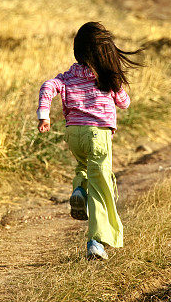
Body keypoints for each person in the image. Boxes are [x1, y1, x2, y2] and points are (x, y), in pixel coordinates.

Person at [36, 21, 143, 260]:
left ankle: (78, 189)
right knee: (101, 188)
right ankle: (96, 241)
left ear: (78, 51)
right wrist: (117, 85)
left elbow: (47, 86)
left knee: (83, 167)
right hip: (98, 135)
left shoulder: (68, 76)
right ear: (105, 53)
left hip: (74, 135)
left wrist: (43, 115)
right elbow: (125, 102)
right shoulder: (106, 78)